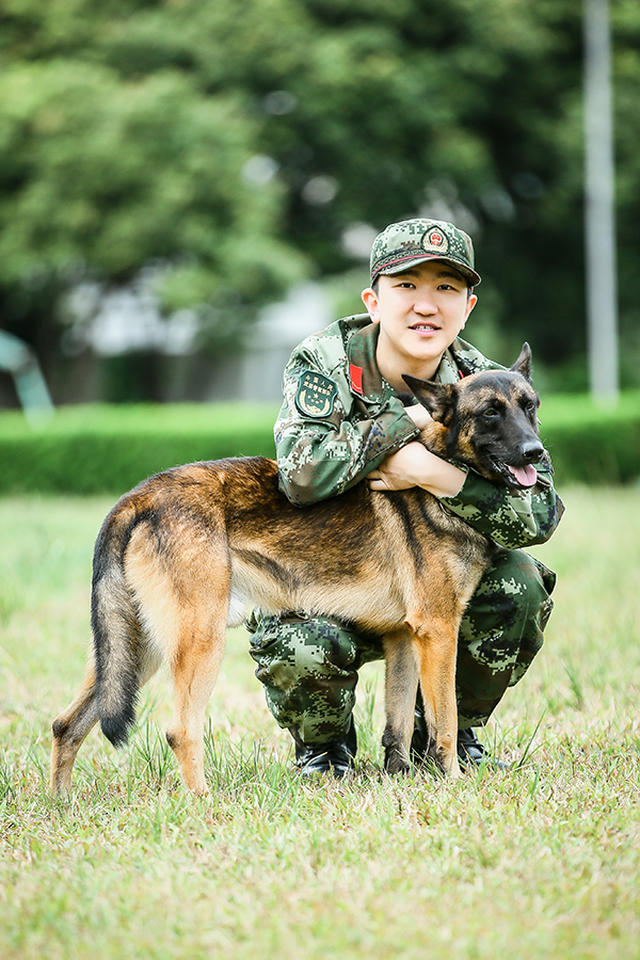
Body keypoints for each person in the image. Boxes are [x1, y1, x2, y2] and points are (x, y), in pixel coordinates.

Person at [248, 217, 563, 777]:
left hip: (432, 580)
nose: (426, 304)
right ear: (374, 300)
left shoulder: (488, 384)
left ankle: (442, 735)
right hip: (332, 577)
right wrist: (404, 426)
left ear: (467, 306)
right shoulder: (324, 362)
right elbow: (299, 478)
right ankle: (324, 746)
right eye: (406, 285)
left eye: (446, 288)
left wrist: (432, 474)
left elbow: (539, 515)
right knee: (298, 636)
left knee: (520, 583)